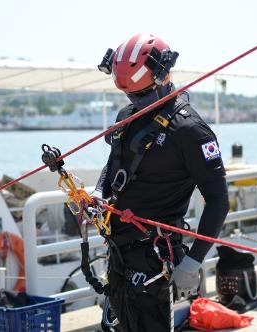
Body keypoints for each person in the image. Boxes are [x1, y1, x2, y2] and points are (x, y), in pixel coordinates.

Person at [95, 33, 229, 332]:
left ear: (163, 76)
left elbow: (219, 201)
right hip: (120, 253)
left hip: (156, 260)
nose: (136, 103)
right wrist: (98, 193)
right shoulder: (127, 116)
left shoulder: (191, 131)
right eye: (131, 97)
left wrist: (194, 260)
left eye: (142, 95)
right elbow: (114, 164)